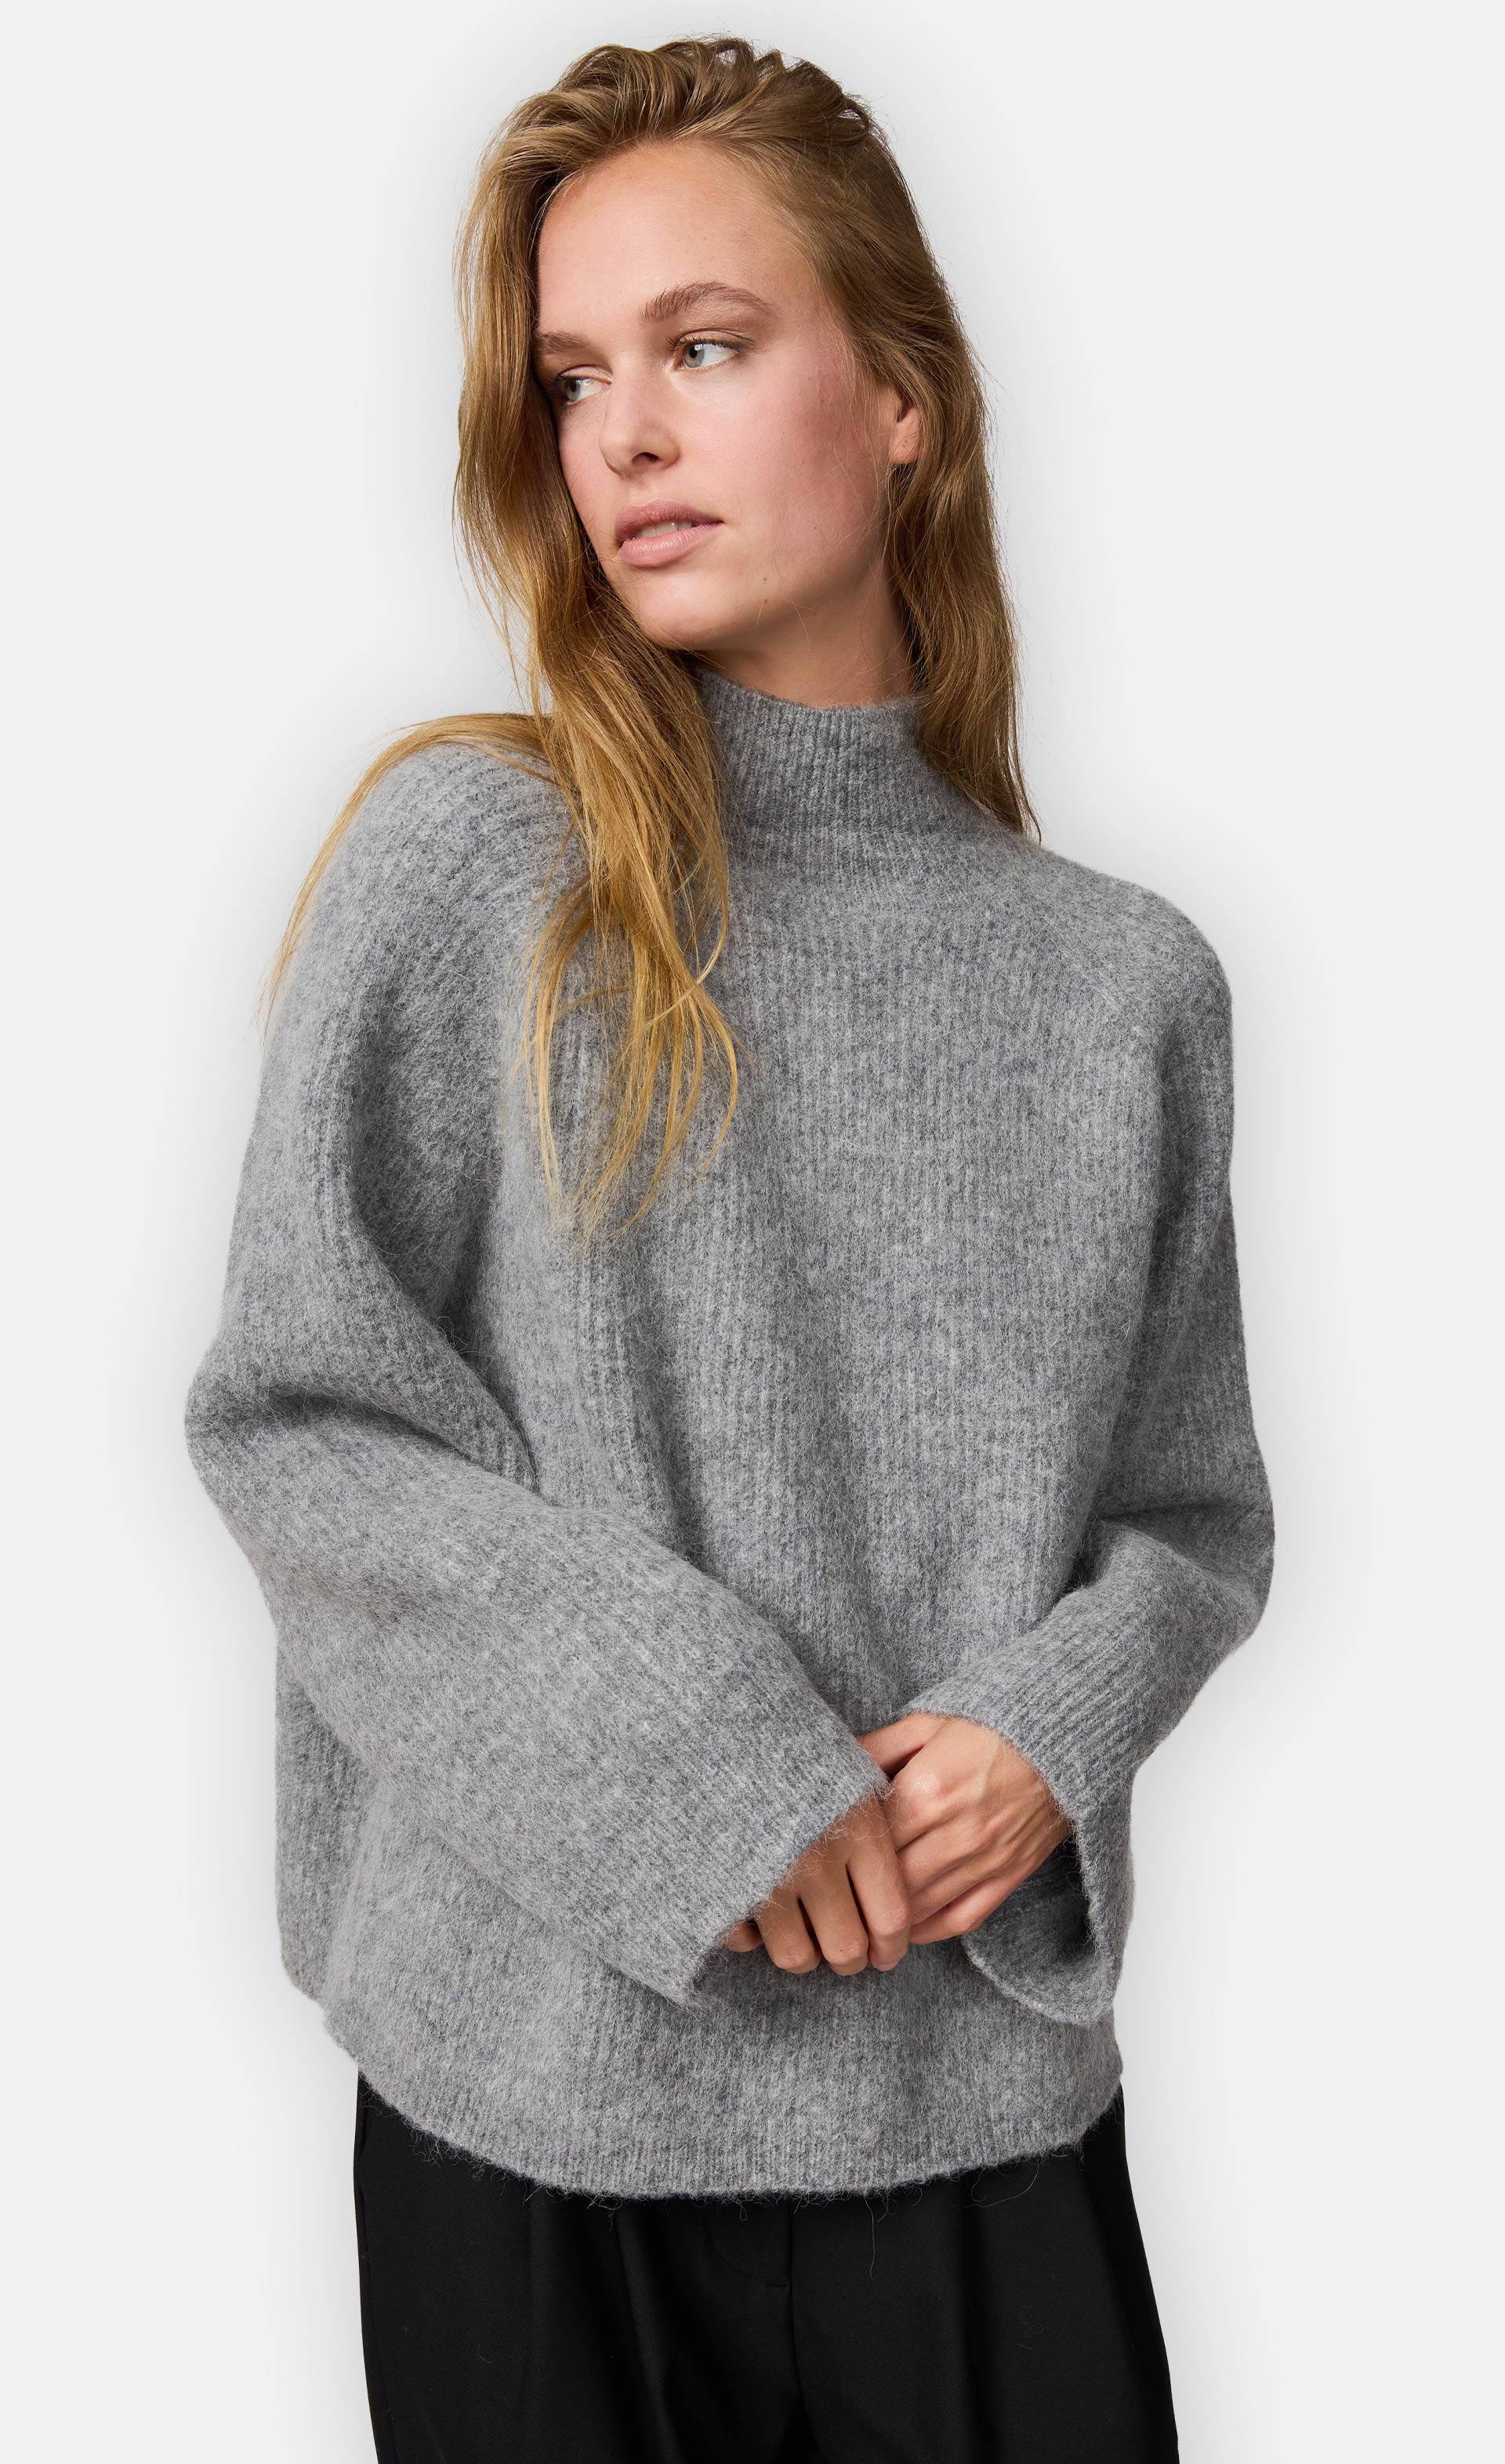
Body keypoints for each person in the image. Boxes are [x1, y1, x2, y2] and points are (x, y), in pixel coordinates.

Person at [184, 33, 1275, 2464]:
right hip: (537, 2111)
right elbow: (302, 1420)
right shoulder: (479, 869)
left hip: (978, 2111)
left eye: (704, 344)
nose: (624, 440)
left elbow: (1193, 1518)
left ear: (903, 401)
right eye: (574, 378)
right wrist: (701, 1757)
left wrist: (1052, 1729)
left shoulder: (1125, 986)